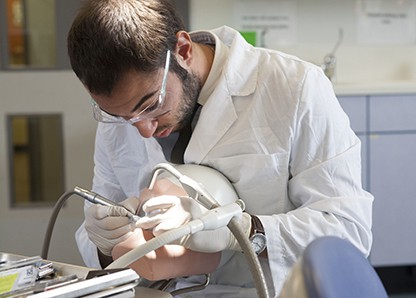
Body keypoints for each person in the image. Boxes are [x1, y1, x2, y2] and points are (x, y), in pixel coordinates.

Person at [67, 0, 374, 296]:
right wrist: (104, 245)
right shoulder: (125, 119)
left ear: (183, 51)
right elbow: (101, 242)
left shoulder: (294, 87)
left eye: (152, 105)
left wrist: (240, 232)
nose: (143, 130)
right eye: (120, 116)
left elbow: (347, 232)